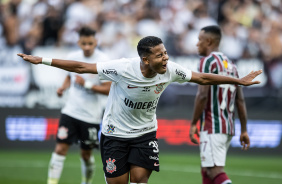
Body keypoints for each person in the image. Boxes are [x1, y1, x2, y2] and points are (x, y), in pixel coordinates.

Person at [17, 36, 261, 184]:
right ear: (146, 60)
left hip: (144, 134)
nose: (165, 58)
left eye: (165, 53)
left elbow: (203, 79)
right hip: (114, 134)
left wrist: (238, 81)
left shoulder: (170, 70)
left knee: (141, 179)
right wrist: (43, 60)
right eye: (159, 55)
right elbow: (82, 67)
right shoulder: (123, 68)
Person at [46, 26, 111, 184]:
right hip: (70, 112)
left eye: (90, 43)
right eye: (84, 43)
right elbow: (70, 77)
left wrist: (88, 85)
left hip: (91, 116)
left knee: (86, 154)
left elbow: (109, 89)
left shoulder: (104, 61)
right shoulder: (72, 56)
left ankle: (86, 183)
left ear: (96, 42)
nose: (87, 47)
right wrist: (63, 87)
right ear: (78, 42)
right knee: (60, 149)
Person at [189, 25, 250, 184]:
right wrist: (244, 130)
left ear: (208, 41)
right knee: (207, 170)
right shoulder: (231, 65)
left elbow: (202, 95)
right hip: (228, 126)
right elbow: (240, 100)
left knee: (214, 170)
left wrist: (194, 123)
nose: (197, 44)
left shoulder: (207, 62)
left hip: (213, 125)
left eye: (199, 40)